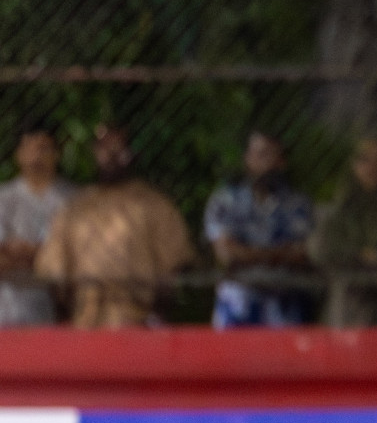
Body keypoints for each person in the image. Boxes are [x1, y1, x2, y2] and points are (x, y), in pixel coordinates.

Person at [35, 124, 193, 328]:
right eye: (104, 148)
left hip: (137, 319)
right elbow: (54, 273)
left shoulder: (154, 205)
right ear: (94, 153)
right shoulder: (75, 208)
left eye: (117, 148)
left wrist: (156, 316)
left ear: (131, 152)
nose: (110, 155)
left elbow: (174, 267)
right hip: (86, 321)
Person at [204, 130, 315, 329]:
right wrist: (280, 254)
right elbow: (227, 255)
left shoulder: (299, 204)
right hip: (237, 307)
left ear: (282, 162)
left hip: (285, 306)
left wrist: (247, 253)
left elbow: (303, 253)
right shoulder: (225, 200)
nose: (265, 162)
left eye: (271, 155)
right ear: (247, 159)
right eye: (259, 154)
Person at [311, 137, 377, 327]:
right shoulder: (337, 212)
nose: (373, 167)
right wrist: (364, 255)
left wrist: (360, 257)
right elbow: (322, 251)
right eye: (365, 160)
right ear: (354, 165)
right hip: (347, 304)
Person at [0, 126, 74, 326]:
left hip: (58, 313)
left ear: (57, 154)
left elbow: (76, 258)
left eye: (43, 148)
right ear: (18, 155)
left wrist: (21, 253)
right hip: (7, 311)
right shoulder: (4, 199)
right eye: (29, 148)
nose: (36, 156)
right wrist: (46, 256)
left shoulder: (73, 200)